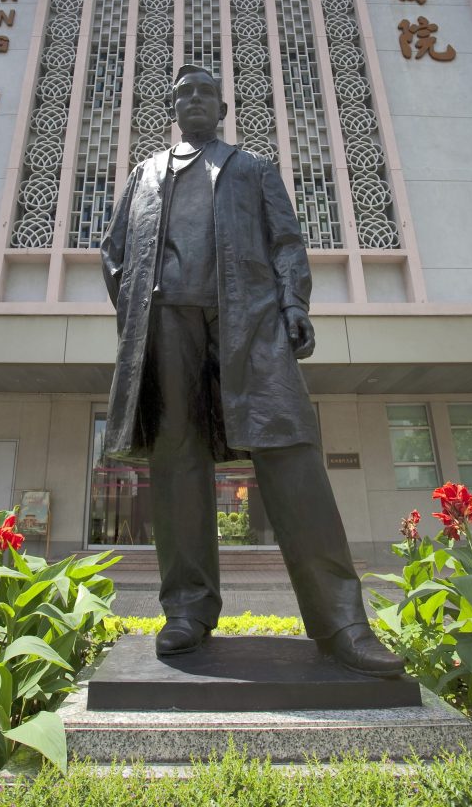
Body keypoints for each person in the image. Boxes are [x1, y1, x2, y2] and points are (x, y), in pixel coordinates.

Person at [101, 65, 404, 677]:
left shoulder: (253, 169)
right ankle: (186, 611)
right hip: (167, 326)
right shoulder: (145, 175)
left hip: (250, 320)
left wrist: (293, 304)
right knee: (177, 460)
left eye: (204, 93)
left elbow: (287, 243)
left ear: (221, 107)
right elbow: (114, 256)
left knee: (291, 454)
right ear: (171, 106)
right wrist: (140, 318)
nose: (193, 100)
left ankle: (342, 620)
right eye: (183, 92)